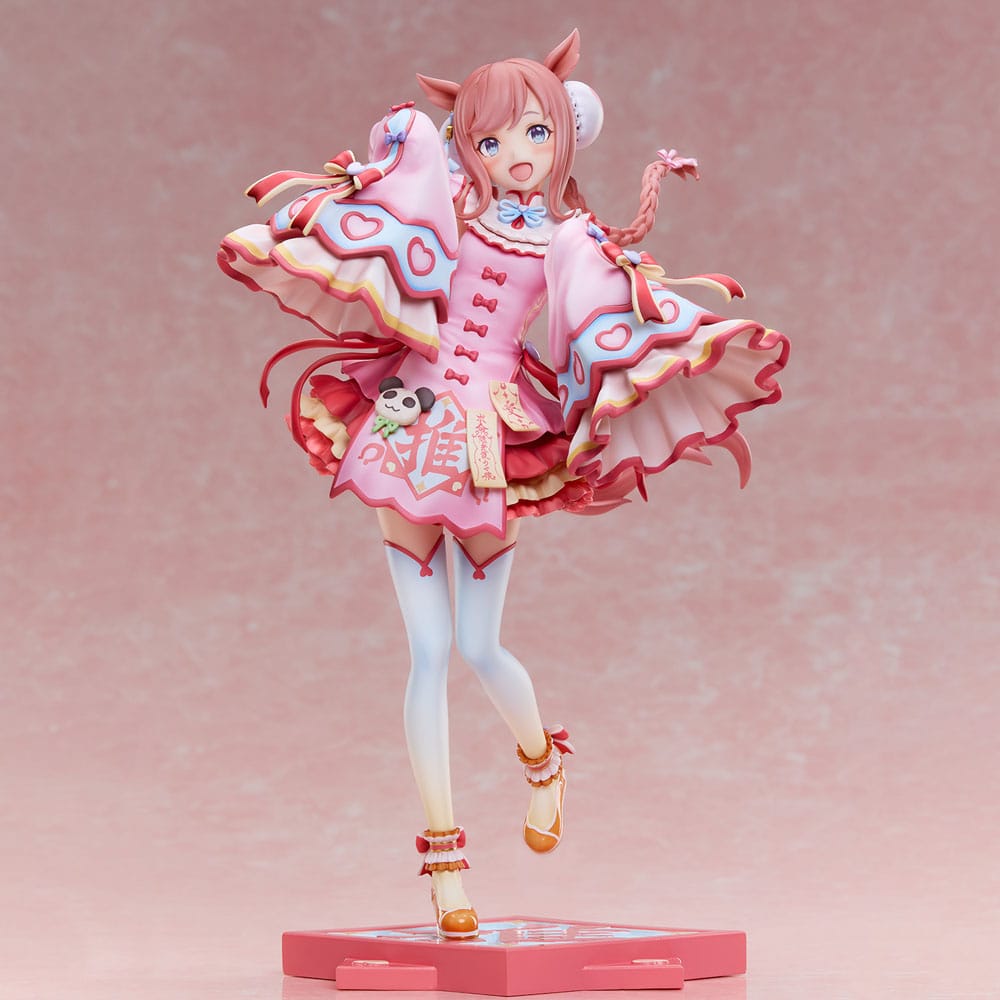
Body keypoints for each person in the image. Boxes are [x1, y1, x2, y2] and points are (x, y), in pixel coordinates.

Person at [217, 29, 789, 939]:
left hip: (492, 433)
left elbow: (587, 324)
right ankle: (446, 863)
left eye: (535, 133)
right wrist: (406, 138)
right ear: (469, 145)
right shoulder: (449, 199)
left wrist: (659, 340)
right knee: (427, 652)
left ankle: (542, 759)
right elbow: (398, 190)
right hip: (408, 416)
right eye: (491, 138)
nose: (515, 154)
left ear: (565, 134)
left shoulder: (569, 239)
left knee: (480, 647)